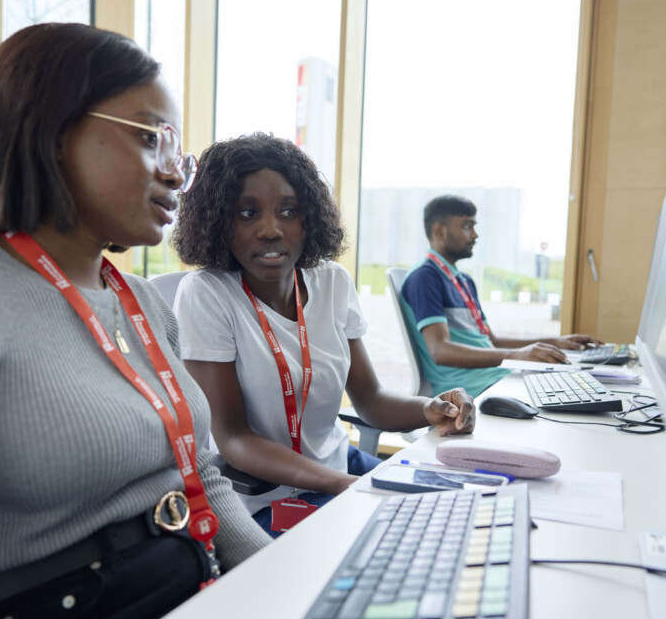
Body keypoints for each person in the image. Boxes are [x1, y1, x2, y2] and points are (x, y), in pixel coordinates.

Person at [0, 24, 272, 619]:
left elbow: (202, 481)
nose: (177, 174)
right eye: (150, 139)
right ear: (49, 131)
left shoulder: (143, 303)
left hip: (196, 613)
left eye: (180, 150)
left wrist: (298, 589)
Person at [171, 133, 477, 537]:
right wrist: (341, 486)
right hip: (260, 500)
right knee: (402, 539)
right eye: (247, 213)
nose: (270, 229)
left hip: (339, 469)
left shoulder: (332, 282)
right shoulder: (206, 294)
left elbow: (370, 400)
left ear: (308, 218)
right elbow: (232, 437)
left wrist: (429, 409)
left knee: (462, 510)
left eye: (288, 211)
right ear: (218, 221)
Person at [400, 195, 602, 397]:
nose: (475, 235)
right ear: (439, 231)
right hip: (469, 392)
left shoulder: (464, 280)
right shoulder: (425, 277)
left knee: (578, 385)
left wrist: (555, 342)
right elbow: (440, 351)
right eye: (467, 226)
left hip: (499, 378)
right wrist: (517, 355)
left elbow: (492, 341)